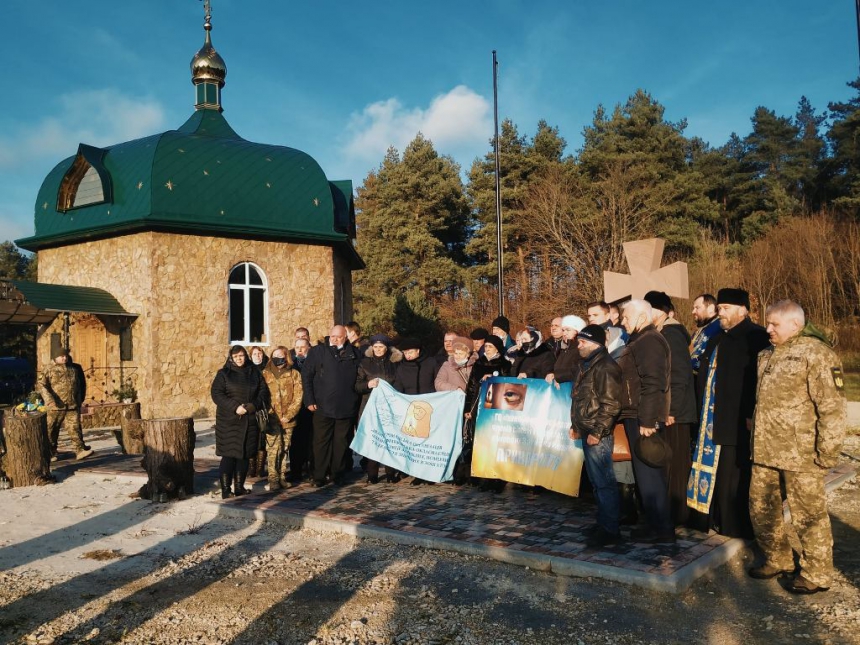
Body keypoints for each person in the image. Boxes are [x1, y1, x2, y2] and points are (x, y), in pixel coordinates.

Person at [749, 300, 847, 594]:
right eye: (767, 323)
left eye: (774, 324)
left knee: (808, 515)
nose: (768, 329)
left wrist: (827, 451)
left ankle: (817, 574)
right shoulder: (766, 354)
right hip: (765, 449)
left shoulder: (817, 354)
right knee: (761, 507)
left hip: (801, 453)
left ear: (795, 324)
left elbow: (832, 407)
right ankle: (778, 558)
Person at [689, 288, 770, 538]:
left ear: (742, 310)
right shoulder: (718, 336)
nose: (720, 313)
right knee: (716, 472)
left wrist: (749, 413)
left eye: (725, 309)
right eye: (720, 308)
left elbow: (757, 381)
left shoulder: (755, 336)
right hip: (712, 418)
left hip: (737, 418)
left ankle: (733, 524)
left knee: (733, 474)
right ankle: (712, 518)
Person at [616, 299, 674, 543]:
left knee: (649, 474)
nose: (622, 321)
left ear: (641, 317)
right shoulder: (639, 340)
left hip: (642, 416)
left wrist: (648, 420)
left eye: (627, 318)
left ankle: (662, 530)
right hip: (635, 413)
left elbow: (653, 383)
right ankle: (654, 524)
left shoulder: (649, 341)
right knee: (644, 474)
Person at [644, 291, 697, 526]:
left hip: (676, 412)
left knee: (675, 463)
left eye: (651, 310)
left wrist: (671, 410)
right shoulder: (661, 333)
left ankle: (678, 515)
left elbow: (679, 375)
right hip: (668, 410)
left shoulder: (672, 334)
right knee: (667, 462)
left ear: (663, 311)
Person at [570, 324, 623, 546]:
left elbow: (611, 404)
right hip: (587, 430)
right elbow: (581, 399)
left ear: (594, 343)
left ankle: (610, 530)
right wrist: (576, 426)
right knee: (596, 482)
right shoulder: (588, 365)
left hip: (597, 434)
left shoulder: (605, 366)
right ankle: (603, 523)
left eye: (582, 342)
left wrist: (598, 432)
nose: (578, 345)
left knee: (604, 482)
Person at [301, 325, 361, 487]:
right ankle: (319, 475)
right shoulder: (318, 352)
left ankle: (337, 474)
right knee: (321, 443)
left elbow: (361, 378)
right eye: (332, 336)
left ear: (345, 337)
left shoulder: (354, 354)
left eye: (338, 337)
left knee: (341, 444)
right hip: (322, 406)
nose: (334, 339)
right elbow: (306, 376)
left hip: (346, 406)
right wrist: (309, 400)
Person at [210, 345, 269, 498]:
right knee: (229, 455)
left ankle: (239, 487)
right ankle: (225, 490)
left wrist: (252, 406)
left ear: (245, 356)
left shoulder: (254, 372)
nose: (239, 359)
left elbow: (263, 392)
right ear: (231, 358)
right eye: (236, 357)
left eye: (241, 355)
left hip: (249, 420)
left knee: (244, 455)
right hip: (229, 421)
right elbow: (217, 394)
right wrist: (235, 407)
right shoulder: (223, 374)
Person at [463, 336, 510, 492]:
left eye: (490, 346)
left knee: (495, 443)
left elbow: (508, 386)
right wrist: (468, 408)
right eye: (486, 346)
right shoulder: (478, 364)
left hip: (496, 409)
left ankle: (497, 478)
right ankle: (483, 476)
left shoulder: (504, 364)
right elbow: (470, 387)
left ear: (497, 348)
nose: (487, 349)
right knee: (481, 442)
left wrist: (494, 379)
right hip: (479, 407)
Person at [355, 334, 402, 484]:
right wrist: (368, 385)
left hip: (390, 406)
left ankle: (390, 472)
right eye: (375, 347)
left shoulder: (395, 363)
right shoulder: (365, 363)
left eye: (381, 347)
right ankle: (372, 473)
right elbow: (357, 385)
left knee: (390, 438)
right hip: (369, 405)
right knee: (372, 438)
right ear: (371, 348)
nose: (378, 349)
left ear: (386, 348)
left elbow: (400, 383)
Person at [261, 345, 303, 491]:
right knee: (273, 449)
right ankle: (273, 478)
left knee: (285, 447)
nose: (278, 357)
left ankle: (282, 477)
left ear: (286, 357)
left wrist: (289, 415)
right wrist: (269, 413)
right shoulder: (265, 374)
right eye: (275, 354)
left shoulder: (294, 374)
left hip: (288, 419)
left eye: (281, 355)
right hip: (272, 418)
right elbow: (262, 396)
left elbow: (298, 396)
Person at [38, 349, 92, 461]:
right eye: (61, 356)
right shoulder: (49, 369)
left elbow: (79, 385)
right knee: (52, 430)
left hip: (72, 405)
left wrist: (79, 400)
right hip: (56, 406)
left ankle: (79, 450)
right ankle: (50, 453)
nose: (64, 358)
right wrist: (49, 400)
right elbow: (42, 385)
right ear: (55, 357)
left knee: (74, 427)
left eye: (66, 356)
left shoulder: (73, 368)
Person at [288, 337, 313, 483]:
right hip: (295, 408)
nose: (300, 350)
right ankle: (295, 471)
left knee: (311, 440)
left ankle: (311, 470)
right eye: (297, 347)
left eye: (303, 347)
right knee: (295, 441)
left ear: (308, 347)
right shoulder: (291, 364)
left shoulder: (314, 362)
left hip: (310, 406)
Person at [547, 315, 586, 385]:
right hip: (562, 391)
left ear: (577, 331)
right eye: (563, 330)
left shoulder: (581, 349)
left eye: (568, 330)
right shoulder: (565, 349)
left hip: (573, 391)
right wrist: (552, 374)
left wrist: (558, 376)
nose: (564, 333)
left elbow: (579, 370)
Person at [690, 294, 720, 376]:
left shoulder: (719, 328)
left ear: (711, 308)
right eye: (693, 308)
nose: (693, 311)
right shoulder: (700, 329)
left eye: (697, 308)